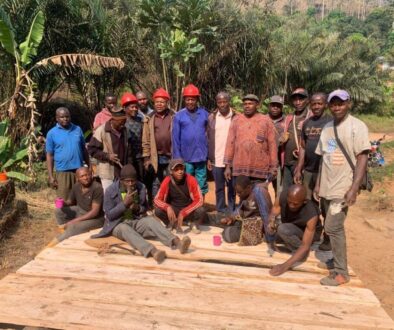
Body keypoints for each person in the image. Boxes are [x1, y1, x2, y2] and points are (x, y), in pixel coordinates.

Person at [314, 89, 369, 286]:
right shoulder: (328, 127)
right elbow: (324, 158)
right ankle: (336, 261)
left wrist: (354, 188)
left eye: (341, 103)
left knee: (332, 227)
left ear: (348, 104)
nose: (337, 107)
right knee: (333, 226)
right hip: (328, 186)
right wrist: (319, 183)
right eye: (334, 104)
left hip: (344, 186)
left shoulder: (357, 126)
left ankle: (341, 272)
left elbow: (363, 157)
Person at [91, 164, 191, 263]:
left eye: (133, 181)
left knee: (151, 221)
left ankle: (177, 242)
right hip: (117, 224)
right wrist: (124, 204)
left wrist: (137, 207)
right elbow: (109, 215)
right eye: (127, 181)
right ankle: (153, 251)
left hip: (135, 220)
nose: (130, 183)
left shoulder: (141, 187)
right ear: (121, 181)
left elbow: (145, 208)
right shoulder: (110, 190)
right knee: (124, 228)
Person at [269, 184, 322, 276]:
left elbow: (305, 246)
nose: (292, 206)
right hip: (293, 226)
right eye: (289, 202)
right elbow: (274, 210)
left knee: (283, 229)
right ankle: (293, 247)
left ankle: (300, 253)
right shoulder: (283, 196)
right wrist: (271, 220)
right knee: (271, 236)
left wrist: (284, 266)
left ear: (304, 201)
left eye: (296, 204)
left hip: (309, 234)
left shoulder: (311, 214)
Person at [224, 94, 277, 184]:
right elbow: (230, 143)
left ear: (257, 105)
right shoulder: (236, 120)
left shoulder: (266, 120)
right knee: (242, 196)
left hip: (260, 170)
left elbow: (272, 145)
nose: (247, 106)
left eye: (250, 104)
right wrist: (227, 167)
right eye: (245, 104)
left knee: (259, 195)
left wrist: (273, 167)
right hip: (240, 170)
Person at [47, 167, 104, 246]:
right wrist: (63, 202)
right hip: (80, 211)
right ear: (77, 178)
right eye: (82, 176)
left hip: (96, 219)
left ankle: (52, 245)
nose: (86, 178)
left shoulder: (97, 188)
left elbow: (94, 212)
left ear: (91, 175)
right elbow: (70, 201)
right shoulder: (76, 186)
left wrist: (75, 220)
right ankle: (65, 234)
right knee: (58, 211)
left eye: (87, 175)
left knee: (73, 227)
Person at [172, 84, 209, 195]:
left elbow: (210, 133)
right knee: (187, 181)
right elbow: (175, 138)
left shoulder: (204, 114)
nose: (190, 102)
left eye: (193, 99)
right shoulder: (179, 116)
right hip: (186, 157)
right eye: (188, 99)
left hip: (201, 155)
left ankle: (200, 205)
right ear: (184, 100)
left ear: (197, 100)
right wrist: (178, 158)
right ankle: (189, 206)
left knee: (201, 182)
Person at [46, 107, 90, 200]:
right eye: (62, 117)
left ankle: (80, 215)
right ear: (57, 118)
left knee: (81, 198)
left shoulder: (77, 129)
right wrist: (50, 176)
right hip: (63, 172)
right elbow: (50, 155)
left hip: (79, 170)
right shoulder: (52, 133)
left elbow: (84, 149)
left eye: (67, 116)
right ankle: (63, 215)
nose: (65, 119)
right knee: (64, 199)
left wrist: (89, 167)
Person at [214, 176, 273, 244]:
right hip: (245, 222)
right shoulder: (245, 194)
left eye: (240, 192)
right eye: (237, 192)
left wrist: (269, 237)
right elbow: (240, 209)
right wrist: (231, 218)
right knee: (222, 221)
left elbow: (266, 215)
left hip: (257, 227)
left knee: (228, 234)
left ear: (248, 188)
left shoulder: (259, 192)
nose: (238, 195)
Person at [294, 93, 331, 200]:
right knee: (308, 200)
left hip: (325, 171)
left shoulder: (331, 122)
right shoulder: (307, 123)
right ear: (310, 105)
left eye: (319, 103)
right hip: (309, 170)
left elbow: (332, 148)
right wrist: (299, 169)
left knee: (325, 201)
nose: (316, 106)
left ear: (325, 105)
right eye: (313, 104)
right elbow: (303, 147)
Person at [154, 159, 206, 234]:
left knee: (201, 210)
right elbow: (156, 199)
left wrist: (184, 212)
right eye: (176, 169)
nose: (180, 172)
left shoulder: (191, 179)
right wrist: (167, 207)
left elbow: (200, 200)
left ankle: (193, 223)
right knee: (158, 211)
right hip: (174, 210)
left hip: (188, 210)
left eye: (181, 169)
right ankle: (171, 223)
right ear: (171, 171)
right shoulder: (167, 181)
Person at [207, 91, 237, 214]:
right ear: (217, 103)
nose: (222, 104)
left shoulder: (236, 117)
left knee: (232, 186)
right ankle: (220, 208)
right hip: (217, 158)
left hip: (232, 159)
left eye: (225, 101)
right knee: (219, 187)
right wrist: (209, 158)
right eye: (220, 102)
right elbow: (208, 138)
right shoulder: (212, 118)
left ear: (229, 102)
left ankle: (231, 208)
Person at [142, 88, 175, 198]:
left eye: (162, 102)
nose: (159, 104)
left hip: (171, 155)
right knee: (156, 181)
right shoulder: (149, 118)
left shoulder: (174, 116)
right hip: (156, 156)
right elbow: (146, 140)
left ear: (167, 103)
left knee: (171, 179)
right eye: (157, 102)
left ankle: (169, 202)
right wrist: (147, 158)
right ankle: (157, 204)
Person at [88, 107, 130, 192]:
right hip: (108, 172)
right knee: (110, 196)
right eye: (121, 122)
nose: (123, 125)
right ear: (113, 120)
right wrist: (107, 156)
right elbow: (91, 149)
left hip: (122, 170)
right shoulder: (101, 130)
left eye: (124, 122)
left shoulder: (124, 130)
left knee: (123, 195)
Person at [282, 88, 310, 191]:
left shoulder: (311, 117)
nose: (298, 102)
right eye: (295, 100)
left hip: (303, 163)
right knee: (287, 192)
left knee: (300, 193)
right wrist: (282, 139)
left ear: (307, 100)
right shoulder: (289, 118)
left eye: (301, 99)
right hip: (287, 162)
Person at [122, 92, 148, 181]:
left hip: (140, 157)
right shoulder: (121, 122)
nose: (135, 109)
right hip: (128, 158)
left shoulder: (141, 121)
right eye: (132, 107)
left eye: (136, 107)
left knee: (142, 179)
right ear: (125, 108)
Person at [267, 95, 286, 197]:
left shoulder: (287, 122)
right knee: (261, 188)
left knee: (279, 189)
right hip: (263, 161)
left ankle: (277, 211)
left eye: (278, 106)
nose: (275, 108)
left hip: (279, 162)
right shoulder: (262, 119)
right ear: (269, 106)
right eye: (273, 105)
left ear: (281, 107)